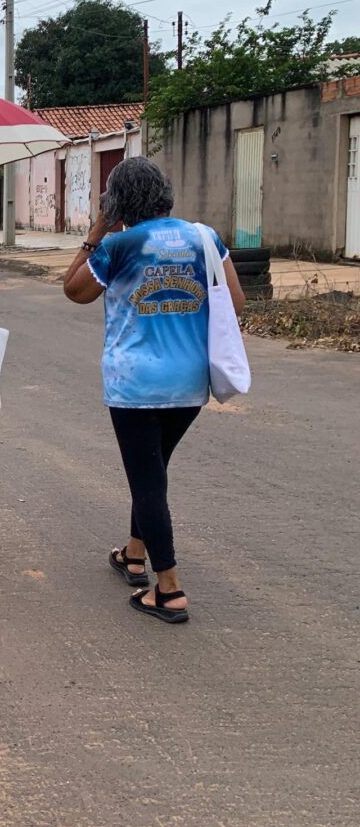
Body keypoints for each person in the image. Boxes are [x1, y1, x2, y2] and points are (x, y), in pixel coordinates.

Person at [62, 157, 245, 624]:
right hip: (190, 383)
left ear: (116, 201)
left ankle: (168, 590)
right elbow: (236, 302)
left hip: (135, 384)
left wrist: (97, 230)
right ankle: (134, 555)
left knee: (147, 482)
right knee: (153, 471)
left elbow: (75, 290)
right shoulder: (204, 237)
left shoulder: (120, 245)